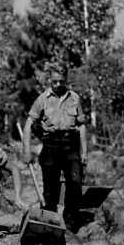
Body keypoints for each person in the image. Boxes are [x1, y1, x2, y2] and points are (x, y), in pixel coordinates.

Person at [22, 63, 89, 229]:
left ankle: (70, 225)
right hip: (50, 146)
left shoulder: (75, 98)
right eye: (54, 81)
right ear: (50, 80)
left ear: (66, 79)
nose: (58, 84)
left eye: (61, 81)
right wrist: (26, 151)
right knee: (50, 189)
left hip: (71, 145)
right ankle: (49, 224)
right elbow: (28, 124)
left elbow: (81, 126)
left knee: (75, 184)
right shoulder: (42, 99)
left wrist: (85, 152)